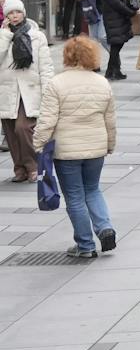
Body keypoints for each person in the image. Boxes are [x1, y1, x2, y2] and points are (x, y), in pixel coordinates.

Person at [32, 35, 116, 257]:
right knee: (93, 189)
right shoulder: (102, 83)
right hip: (95, 147)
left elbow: (47, 120)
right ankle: (105, 227)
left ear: (67, 56)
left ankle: (85, 245)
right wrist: (110, 144)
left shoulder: (57, 83)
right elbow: (110, 119)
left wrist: (39, 143)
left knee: (75, 196)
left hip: (67, 151)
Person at [0, 0, 49, 181]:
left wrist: (47, 90)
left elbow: (45, 66)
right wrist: (5, 35)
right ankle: (19, 168)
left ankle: (32, 164)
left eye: (17, 12)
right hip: (7, 90)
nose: (14, 16)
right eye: (10, 13)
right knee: (11, 133)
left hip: (30, 90)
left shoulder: (37, 36)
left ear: (24, 13)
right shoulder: (3, 35)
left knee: (23, 128)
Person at [95, 0, 138, 80]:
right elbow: (115, 2)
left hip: (119, 16)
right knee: (116, 44)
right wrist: (130, 12)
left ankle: (114, 71)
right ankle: (111, 71)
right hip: (113, 16)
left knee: (118, 44)